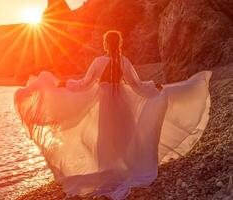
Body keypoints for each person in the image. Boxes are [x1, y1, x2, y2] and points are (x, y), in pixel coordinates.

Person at [14, 31, 211, 200]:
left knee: (105, 139)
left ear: (106, 44)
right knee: (124, 137)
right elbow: (137, 86)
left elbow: (84, 84)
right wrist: (155, 88)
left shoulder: (100, 62)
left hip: (106, 105)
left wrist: (65, 84)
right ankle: (124, 171)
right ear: (120, 44)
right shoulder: (124, 62)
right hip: (122, 104)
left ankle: (109, 175)